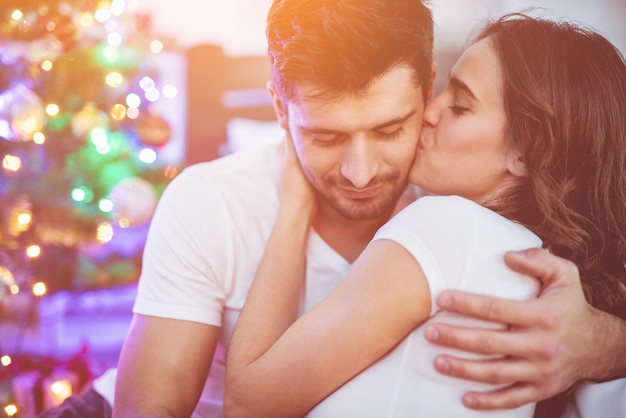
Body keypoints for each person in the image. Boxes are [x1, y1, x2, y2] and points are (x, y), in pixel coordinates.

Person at [112, 1, 626, 416]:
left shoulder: (459, 198)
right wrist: (293, 212)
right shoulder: (212, 201)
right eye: (325, 136)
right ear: (278, 108)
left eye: (389, 130)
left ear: (427, 89)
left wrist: (600, 342)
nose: (361, 173)